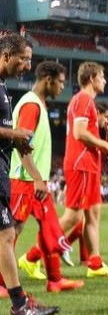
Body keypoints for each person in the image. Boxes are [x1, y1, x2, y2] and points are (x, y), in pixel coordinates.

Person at [9, 61, 83, 293]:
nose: (63, 86)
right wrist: (37, 178)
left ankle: (55, 280)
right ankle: (3, 283)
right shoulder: (31, 105)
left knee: (50, 228)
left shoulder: (38, 103)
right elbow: (21, 144)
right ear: (48, 80)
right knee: (13, 231)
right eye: (61, 81)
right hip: (24, 180)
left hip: (36, 181)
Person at [0, 33, 58, 315]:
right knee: (8, 234)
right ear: (7, 56)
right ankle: (20, 304)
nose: (25, 66)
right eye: (23, 60)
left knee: (7, 235)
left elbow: (13, 138)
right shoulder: (28, 101)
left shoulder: (4, 88)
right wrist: (14, 134)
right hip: (12, 177)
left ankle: (20, 303)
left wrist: (16, 139)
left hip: (5, 173)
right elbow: (11, 134)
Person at [57, 62, 108, 278]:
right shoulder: (84, 99)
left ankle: (95, 263)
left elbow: (89, 137)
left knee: (92, 215)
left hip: (90, 165)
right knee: (72, 217)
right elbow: (79, 133)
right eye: (102, 76)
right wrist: (105, 145)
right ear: (92, 78)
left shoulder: (85, 101)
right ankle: (33, 255)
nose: (104, 80)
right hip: (81, 165)